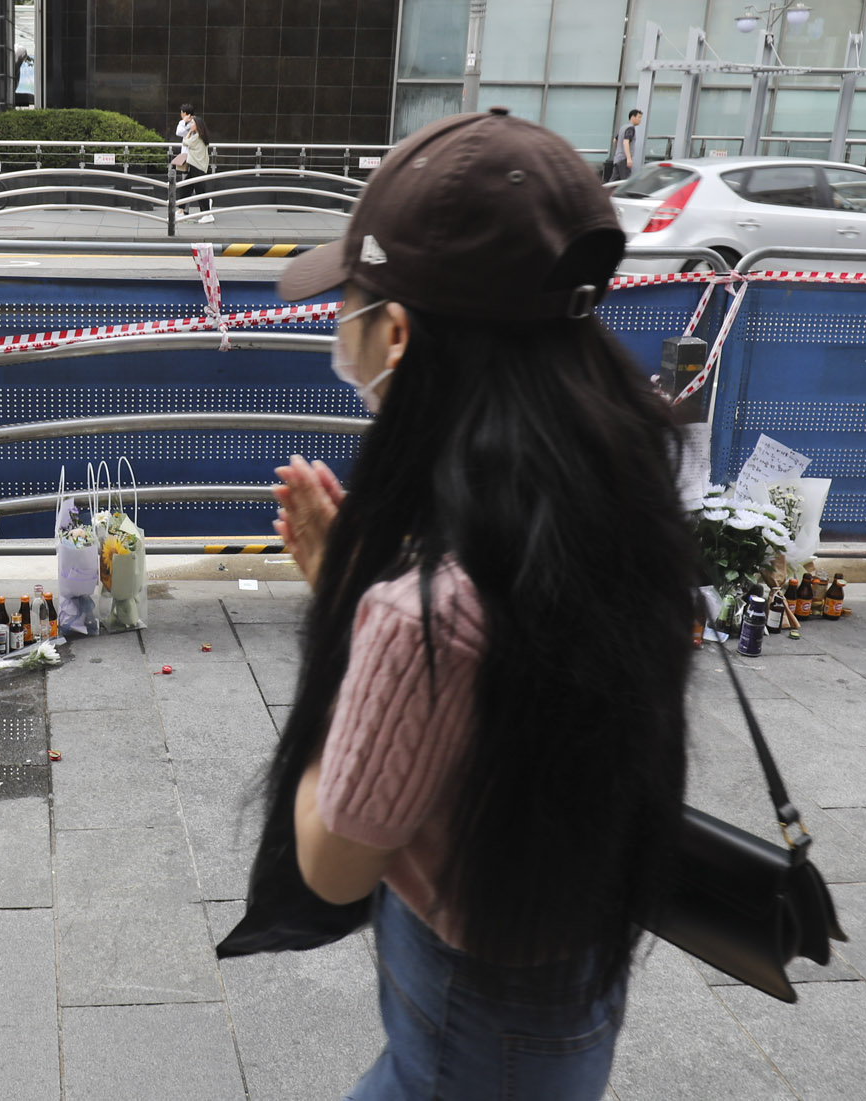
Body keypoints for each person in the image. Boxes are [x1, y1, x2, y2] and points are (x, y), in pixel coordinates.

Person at [261, 108, 696, 1100]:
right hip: (566, 968)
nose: (349, 337)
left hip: (467, 1014)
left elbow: (332, 864)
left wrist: (347, 619)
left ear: (400, 335)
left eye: (355, 311)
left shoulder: (425, 615)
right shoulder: (615, 512)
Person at [174, 104, 213, 224]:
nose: (191, 125)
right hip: (195, 165)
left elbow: (186, 142)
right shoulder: (200, 136)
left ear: (197, 125)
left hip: (197, 166)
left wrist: (189, 131)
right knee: (186, 187)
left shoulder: (197, 137)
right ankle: (181, 210)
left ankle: (207, 214)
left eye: (192, 124)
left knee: (200, 190)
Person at [606, 109, 642, 183]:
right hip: (624, 160)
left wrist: (619, 151)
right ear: (633, 117)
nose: (640, 119)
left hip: (618, 158)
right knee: (626, 183)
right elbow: (626, 142)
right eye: (639, 117)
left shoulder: (623, 127)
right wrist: (628, 158)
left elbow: (615, 140)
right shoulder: (630, 128)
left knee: (613, 182)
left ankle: (606, 193)